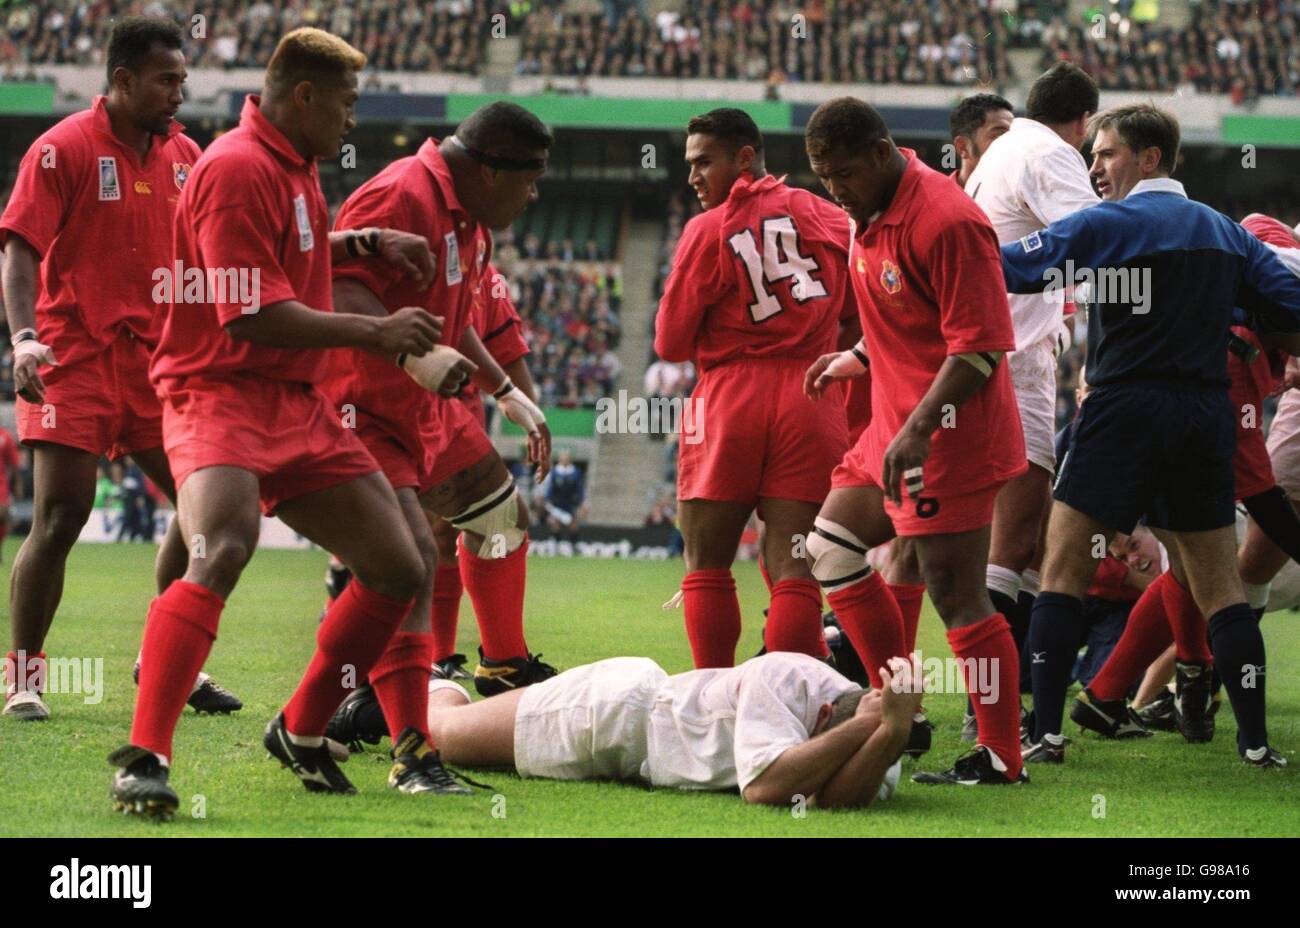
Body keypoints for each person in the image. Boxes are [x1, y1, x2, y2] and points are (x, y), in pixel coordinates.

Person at [107, 27, 450, 819]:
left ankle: (301, 726)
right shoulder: (236, 166)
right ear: (304, 96)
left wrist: (362, 239)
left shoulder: (289, 166)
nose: (353, 121)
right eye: (347, 103)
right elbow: (250, 313)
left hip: (295, 404)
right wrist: (377, 331)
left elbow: (278, 259)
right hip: (216, 390)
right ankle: (145, 758)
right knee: (223, 543)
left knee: (400, 567)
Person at [1000, 103, 1300, 768]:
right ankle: (1254, 744)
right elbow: (1288, 300)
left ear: (1150, 157)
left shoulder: (1107, 223)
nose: (1094, 168)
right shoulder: (1227, 233)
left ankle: (1046, 735)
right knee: (1220, 587)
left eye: (1105, 154)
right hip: (1202, 413)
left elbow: (1016, 268)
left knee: (1062, 571)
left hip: (1121, 408)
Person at [0, 15, 240, 721]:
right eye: (166, 80)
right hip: (70, 358)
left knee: (205, 511)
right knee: (61, 516)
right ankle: (24, 676)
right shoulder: (61, 148)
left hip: (159, 366)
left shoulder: (189, 158)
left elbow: (215, 256)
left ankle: (161, 660)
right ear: (124, 80)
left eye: (182, 80)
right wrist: (21, 338)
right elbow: (18, 250)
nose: (178, 93)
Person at [801, 97, 1028, 786]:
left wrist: (921, 429)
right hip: (895, 429)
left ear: (879, 153)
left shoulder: (949, 220)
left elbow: (981, 344)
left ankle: (1000, 757)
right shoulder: (866, 213)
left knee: (957, 594)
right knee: (830, 549)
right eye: (821, 177)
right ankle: (903, 708)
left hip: (948, 438)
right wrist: (861, 357)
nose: (833, 189)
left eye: (841, 173)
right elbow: (914, 313)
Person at [321, 104, 557, 766]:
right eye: (530, 178)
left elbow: (456, 319)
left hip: (426, 406)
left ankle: (498, 665)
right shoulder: (400, 193)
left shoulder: (466, 218)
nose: (534, 194)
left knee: (496, 515)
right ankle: (354, 706)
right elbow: (332, 285)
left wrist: (505, 391)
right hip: (362, 403)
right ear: (487, 169)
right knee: (400, 564)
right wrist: (412, 357)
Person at [655, 107, 854, 668]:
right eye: (689, 164)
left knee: (707, 565)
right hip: (813, 392)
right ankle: (791, 705)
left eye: (704, 162)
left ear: (745, 157)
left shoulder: (706, 229)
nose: (693, 176)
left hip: (729, 399)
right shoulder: (829, 214)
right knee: (795, 568)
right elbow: (861, 308)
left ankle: (712, 706)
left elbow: (670, 343)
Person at [960, 63, 1102, 747]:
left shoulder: (1002, 151)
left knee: (1006, 541)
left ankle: (985, 704)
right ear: (1082, 123)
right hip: (1014, 358)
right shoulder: (1051, 151)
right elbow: (1102, 241)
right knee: (1016, 543)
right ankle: (989, 711)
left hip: (982, 352)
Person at [425, 652, 923, 809]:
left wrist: (887, 736)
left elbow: (832, 800)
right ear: (820, 720)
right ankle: (420, 679)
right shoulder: (786, 676)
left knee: (454, 739)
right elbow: (767, 787)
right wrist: (866, 733)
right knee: (444, 737)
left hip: (633, 743)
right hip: (616, 711)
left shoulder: (884, 727)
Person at [947, 92, 1014, 189]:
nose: (1012, 144)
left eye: (1014, 135)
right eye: (999, 135)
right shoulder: (933, 200)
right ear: (963, 147)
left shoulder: (1025, 199)